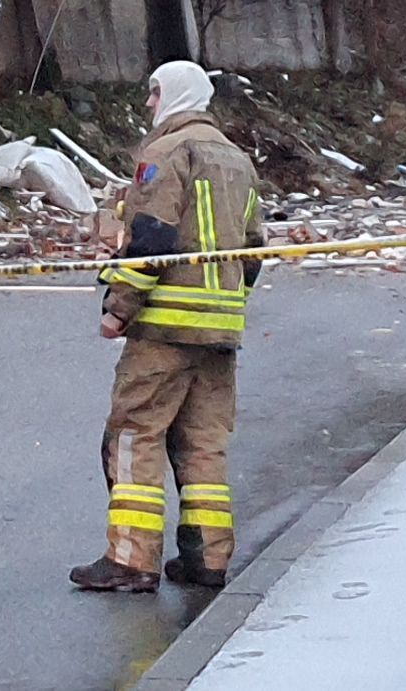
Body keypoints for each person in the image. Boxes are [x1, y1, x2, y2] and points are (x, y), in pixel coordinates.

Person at [70, 59, 266, 594]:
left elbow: (151, 239)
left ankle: (132, 559)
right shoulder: (238, 160)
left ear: (174, 95)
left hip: (164, 328)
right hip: (220, 331)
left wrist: (119, 307)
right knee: (204, 442)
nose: (149, 105)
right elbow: (253, 251)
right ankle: (207, 558)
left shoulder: (165, 154)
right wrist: (224, 305)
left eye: (154, 94)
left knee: (135, 434)